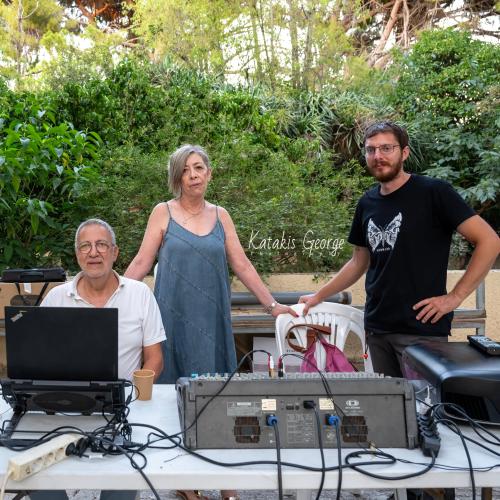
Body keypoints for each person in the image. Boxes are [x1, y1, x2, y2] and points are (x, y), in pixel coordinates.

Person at [125, 144, 297, 500]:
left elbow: (242, 264)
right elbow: (141, 262)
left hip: (213, 323)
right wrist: (116, 300)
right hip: (171, 322)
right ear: (177, 178)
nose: (193, 175)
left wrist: (273, 305)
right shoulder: (162, 213)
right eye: (185, 170)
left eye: (199, 168)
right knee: (174, 400)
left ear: (209, 173)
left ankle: (227, 485)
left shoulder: (221, 216)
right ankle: (185, 482)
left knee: (221, 401)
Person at [300, 121, 500, 377]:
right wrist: (318, 296)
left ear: (404, 153)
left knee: (423, 402)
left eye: (386, 148)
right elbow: (358, 262)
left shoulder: (434, 192)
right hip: (377, 329)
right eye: (371, 150)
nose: (378, 156)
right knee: (391, 402)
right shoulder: (367, 203)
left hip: (422, 331)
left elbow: (489, 241)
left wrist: (455, 297)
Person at [31, 218, 166, 500]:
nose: (93, 252)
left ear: (115, 252)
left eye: (102, 244)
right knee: (35, 475)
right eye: (85, 246)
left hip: (122, 409)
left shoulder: (140, 294)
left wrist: (132, 400)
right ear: (77, 254)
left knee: (125, 476)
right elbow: (37, 359)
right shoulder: (56, 298)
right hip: (62, 407)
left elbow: (155, 359)